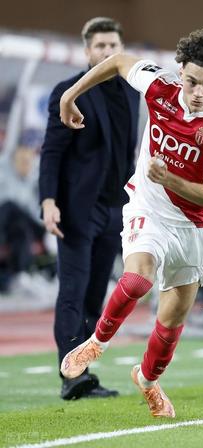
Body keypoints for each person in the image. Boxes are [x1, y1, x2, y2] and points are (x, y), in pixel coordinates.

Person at [57, 26, 203, 418]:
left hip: (192, 225)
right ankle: (96, 343)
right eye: (191, 81)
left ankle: (146, 381)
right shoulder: (159, 84)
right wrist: (70, 95)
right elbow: (118, 62)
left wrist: (169, 177)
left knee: (171, 322)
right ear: (180, 71)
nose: (197, 92)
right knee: (138, 279)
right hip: (147, 206)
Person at [39, 17, 140, 400]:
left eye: (113, 45)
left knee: (96, 296)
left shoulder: (132, 91)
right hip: (78, 209)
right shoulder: (68, 92)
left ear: (121, 48)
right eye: (100, 46)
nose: (107, 51)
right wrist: (48, 201)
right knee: (73, 291)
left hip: (116, 209)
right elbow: (52, 151)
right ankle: (71, 376)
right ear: (87, 51)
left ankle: (82, 370)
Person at [0, 145, 45, 294]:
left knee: (10, 206)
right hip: (16, 225)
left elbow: (37, 212)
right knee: (19, 228)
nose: (24, 164)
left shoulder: (37, 178)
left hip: (39, 225)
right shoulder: (6, 176)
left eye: (27, 161)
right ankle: (20, 275)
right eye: (21, 161)